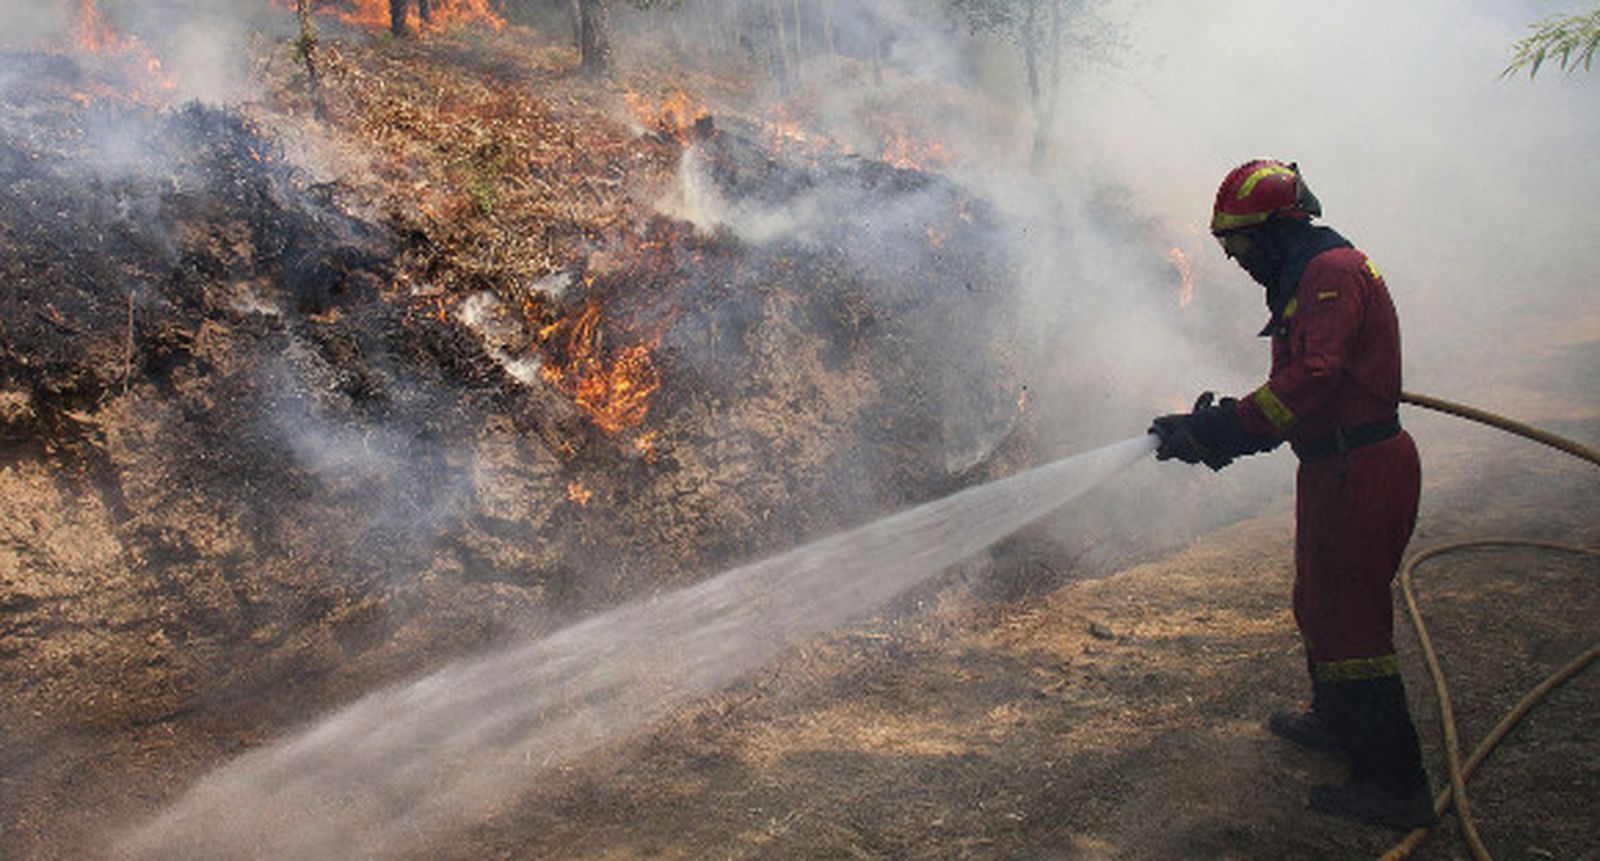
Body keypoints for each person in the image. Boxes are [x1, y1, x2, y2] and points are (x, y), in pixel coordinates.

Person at [1149, 159, 1434, 830]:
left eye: (1242, 241)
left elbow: (1311, 380)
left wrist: (1222, 429)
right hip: (1334, 465)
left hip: (1360, 469)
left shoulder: (1329, 274)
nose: (1236, 257)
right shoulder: (1308, 271)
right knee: (1318, 602)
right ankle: (1337, 722)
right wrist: (1216, 430)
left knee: (1353, 623)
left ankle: (1395, 784)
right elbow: (1302, 390)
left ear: (1279, 229)